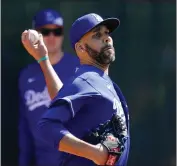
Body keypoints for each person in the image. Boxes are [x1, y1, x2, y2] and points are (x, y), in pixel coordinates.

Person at [21, 13, 130, 166]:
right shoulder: (87, 80)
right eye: (97, 35)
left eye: (107, 33)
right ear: (81, 48)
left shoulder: (101, 82)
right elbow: (46, 126)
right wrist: (95, 153)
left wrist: (43, 59)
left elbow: (61, 96)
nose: (106, 38)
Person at [18, 9, 79, 166]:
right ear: (37, 34)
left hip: (77, 157)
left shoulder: (78, 67)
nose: (52, 37)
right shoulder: (26, 76)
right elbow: (24, 127)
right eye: (45, 31)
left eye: (57, 31)